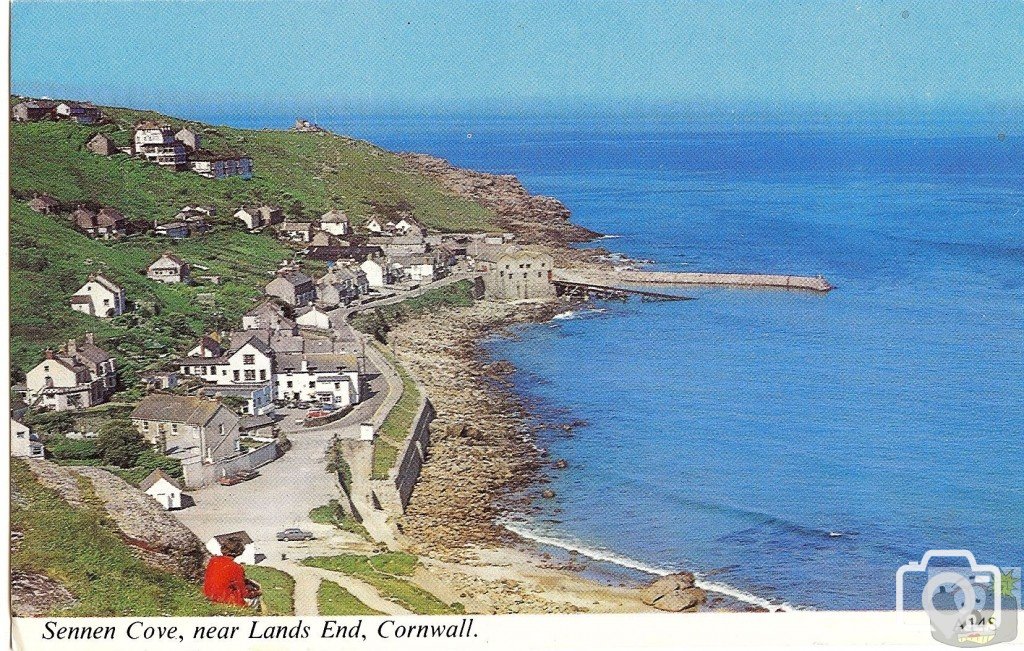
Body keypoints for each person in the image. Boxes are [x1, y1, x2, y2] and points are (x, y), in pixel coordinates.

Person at [203, 536, 261, 609]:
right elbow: (243, 593)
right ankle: (253, 614)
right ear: (239, 552)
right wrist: (257, 593)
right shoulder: (236, 567)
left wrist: (246, 581)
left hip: (209, 595)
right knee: (255, 598)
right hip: (225, 600)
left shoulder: (213, 560)